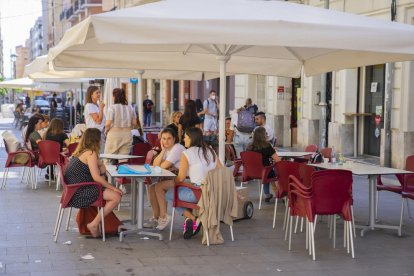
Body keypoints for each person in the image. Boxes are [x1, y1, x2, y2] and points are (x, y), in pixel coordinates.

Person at [64, 128, 122, 237]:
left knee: (113, 194)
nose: (102, 141)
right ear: (96, 140)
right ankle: (94, 224)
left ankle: (98, 223)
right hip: (80, 192)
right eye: (101, 138)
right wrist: (113, 188)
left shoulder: (82, 152)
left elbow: (101, 168)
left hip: (73, 191)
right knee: (116, 196)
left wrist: (101, 167)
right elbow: (96, 177)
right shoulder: (91, 153)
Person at [167, 127, 221, 239]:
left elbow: (181, 178)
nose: (183, 139)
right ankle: (190, 220)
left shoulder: (187, 153)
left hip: (199, 194)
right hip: (214, 193)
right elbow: (221, 170)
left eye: (185, 137)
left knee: (169, 194)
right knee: (186, 188)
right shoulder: (210, 150)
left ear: (191, 138)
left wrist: (173, 180)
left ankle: (193, 218)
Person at [144, 128, 186, 229]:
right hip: (173, 178)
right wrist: (163, 150)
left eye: (169, 138)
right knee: (152, 188)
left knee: (158, 187)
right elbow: (155, 164)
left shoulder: (177, 148)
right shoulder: (168, 149)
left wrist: (163, 163)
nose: (166, 141)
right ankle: (156, 217)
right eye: (163, 138)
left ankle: (164, 217)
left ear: (174, 139)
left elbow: (162, 166)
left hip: (183, 179)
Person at [246, 127, 280, 202]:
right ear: (263, 135)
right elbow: (277, 160)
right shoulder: (267, 146)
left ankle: (267, 194)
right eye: (266, 133)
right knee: (276, 170)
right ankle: (279, 192)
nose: (267, 135)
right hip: (266, 172)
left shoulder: (249, 146)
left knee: (266, 170)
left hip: (252, 172)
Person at [104, 88, 137, 155]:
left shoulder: (112, 108)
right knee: (123, 159)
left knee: (108, 158)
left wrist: (106, 131)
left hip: (114, 134)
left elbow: (108, 124)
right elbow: (134, 123)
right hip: (127, 134)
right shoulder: (130, 107)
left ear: (114, 97)